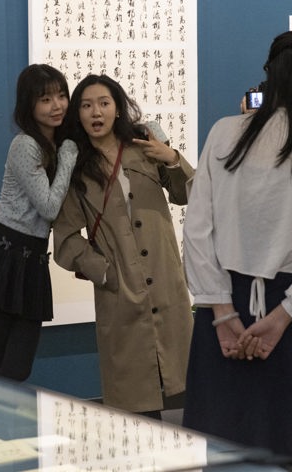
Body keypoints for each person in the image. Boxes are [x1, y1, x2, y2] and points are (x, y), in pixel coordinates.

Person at [181, 28, 292, 472]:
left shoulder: (224, 132)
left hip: (223, 311)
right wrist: (284, 317)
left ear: (270, 73)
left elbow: (197, 230)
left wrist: (223, 314)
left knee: (223, 444)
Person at [52, 74, 194, 418]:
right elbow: (65, 239)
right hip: (120, 292)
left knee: (190, 390)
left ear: (117, 109)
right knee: (134, 401)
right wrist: (103, 272)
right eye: (86, 105)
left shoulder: (144, 147)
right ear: (78, 114)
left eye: (104, 103)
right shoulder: (76, 167)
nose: (95, 112)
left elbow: (190, 193)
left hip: (165, 280)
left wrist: (171, 157)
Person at [0, 63, 77, 381]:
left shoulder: (59, 143)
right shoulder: (26, 144)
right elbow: (49, 207)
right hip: (2, 256)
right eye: (45, 99)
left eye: (61, 95)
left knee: (16, 369)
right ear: (28, 105)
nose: (57, 105)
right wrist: (68, 158)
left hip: (31, 258)